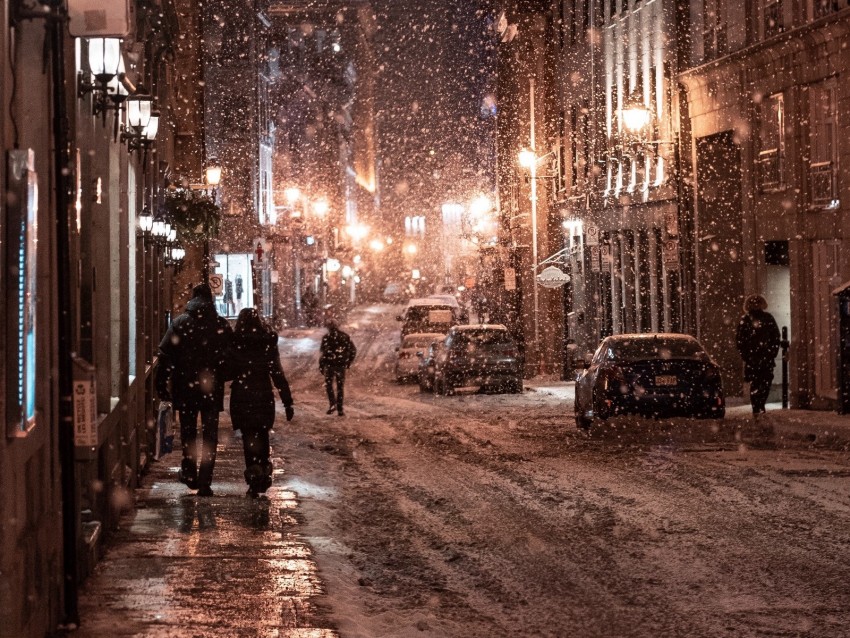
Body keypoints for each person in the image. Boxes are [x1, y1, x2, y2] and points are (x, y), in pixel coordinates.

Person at [156, 283, 233, 496]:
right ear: (211, 300)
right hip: (211, 388)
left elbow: (165, 353)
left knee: (188, 432)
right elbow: (230, 356)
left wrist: (162, 383)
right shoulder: (220, 324)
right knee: (210, 435)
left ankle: (190, 473)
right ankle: (205, 480)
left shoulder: (180, 323)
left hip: (185, 387)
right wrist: (222, 375)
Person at [228, 308, 294, 497]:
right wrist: (287, 402)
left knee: (249, 438)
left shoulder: (237, 342)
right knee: (262, 435)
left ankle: (254, 476)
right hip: (263, 395)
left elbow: (228, 369)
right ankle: (263, 472)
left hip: (242, 396)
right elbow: (277, 373)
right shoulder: (267, 342)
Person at [735, 294, 781, 416]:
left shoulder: (751, 319)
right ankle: (758, 407)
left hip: (758, 358)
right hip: (758, 358)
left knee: (761, 383)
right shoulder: (757, 319)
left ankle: (758, 406)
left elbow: (775, 337)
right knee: (761, 383)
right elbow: (741, 340)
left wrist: (770, 352)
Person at [319, 319, 357, 416]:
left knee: (329, 385)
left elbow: (323, 353)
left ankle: (333, 404)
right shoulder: (344, 337)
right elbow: (353, 350)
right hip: (340, 365)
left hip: (330, 364)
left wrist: (322, 365)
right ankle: (339, 408)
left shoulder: (326, 338)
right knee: (340, 387)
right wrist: (348, 361)